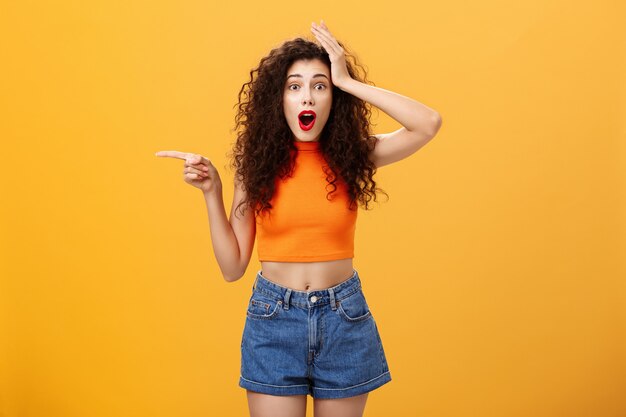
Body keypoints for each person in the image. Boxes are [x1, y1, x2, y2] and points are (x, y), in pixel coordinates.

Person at [156, 20, 442, 417]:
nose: (307, 96)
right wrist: (211, 193)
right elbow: (232, 266)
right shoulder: (256, 165)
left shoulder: (354, 154)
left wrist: (348, 81)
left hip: (344, 318)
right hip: (273, 319)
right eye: (295, 86)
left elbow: (427, 123)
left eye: (319, 85)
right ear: (280, 98)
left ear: (333, 97)